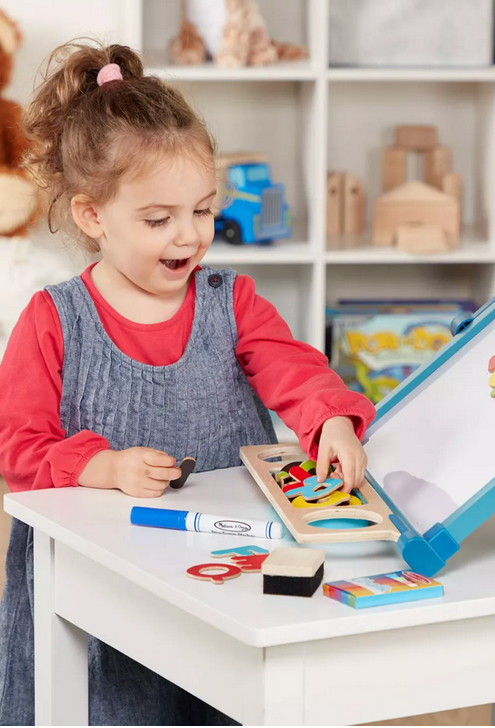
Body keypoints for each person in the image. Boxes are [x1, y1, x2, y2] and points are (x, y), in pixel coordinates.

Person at [0, 41, 375, 725]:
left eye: (202, 211)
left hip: (224, 571)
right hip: (101, 590)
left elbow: (294, 369)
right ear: (92, 217)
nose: (188, 236)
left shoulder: (231, 302)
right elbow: (19, 449)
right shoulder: (53, 320)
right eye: (157, 219)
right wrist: (102, 465)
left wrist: (331, 420)